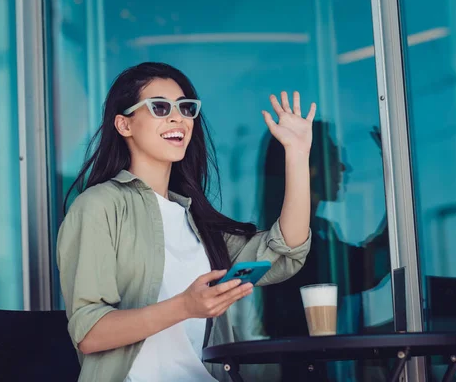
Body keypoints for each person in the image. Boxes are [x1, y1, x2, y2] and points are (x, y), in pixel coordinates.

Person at [56, 62, 315, 381]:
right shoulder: (98, 206)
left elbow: (285, 251)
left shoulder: (197, 222)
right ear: (124, 125)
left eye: (186, 108)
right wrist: (185, 306)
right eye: (160, 107)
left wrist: (298, 154)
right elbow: (90, 334)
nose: (177, 117)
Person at [261, 121, 391, 381]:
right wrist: (398, 180)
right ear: (310, 169)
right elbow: (367, 268)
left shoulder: (320, 231)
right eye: (334, 157)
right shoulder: (290, 244)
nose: (344, 168)